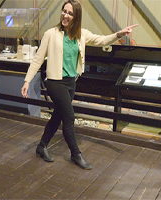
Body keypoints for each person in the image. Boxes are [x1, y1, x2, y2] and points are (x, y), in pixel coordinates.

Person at [21, 0, 138, 170]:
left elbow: (102, 40)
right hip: (55, 82)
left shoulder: (81, 34)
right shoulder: (50, 34)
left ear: (76, 17)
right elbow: (38, 59)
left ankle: (41, 146)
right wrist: (27, 80)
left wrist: (119, 34)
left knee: (58, 116)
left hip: (70, 82)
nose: (65, 15)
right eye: (64, 11)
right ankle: (76, 154)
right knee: (69, 118)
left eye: (70, 13)